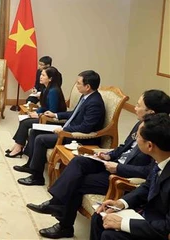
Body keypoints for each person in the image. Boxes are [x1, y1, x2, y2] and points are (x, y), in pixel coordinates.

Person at [27, 90, 170, 239]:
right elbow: (124, 147)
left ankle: (63, 224)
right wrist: (108, 155)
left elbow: (148, 173)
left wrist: (119, 168)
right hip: (114, 163)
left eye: (139, 105)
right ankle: (56, 203)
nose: (134, 107)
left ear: (151, 112)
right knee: (79, 161)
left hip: (124, 173)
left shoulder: (159, 137)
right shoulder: (142, 124)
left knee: (77, 182)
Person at [14, 70, 106, 186]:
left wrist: (64, 130)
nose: (76, 85)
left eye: (78, 83)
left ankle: (37, 177)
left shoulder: (95, 102)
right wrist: (56, 115)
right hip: (70, 128)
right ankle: (31, 166)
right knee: (35, 131)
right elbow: (74, 113)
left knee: (41, 139)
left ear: (87, 86)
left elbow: (86, 127)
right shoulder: (86, 97)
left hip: (79, 137)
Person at [90, 113, 170, 240]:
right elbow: (147, 186)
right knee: (100, 217)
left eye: (137, 136)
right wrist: (121, 203)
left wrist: (122, 223)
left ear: (149, 146)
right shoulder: (161, 160)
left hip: (160, 229)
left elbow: (166, 227)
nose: (135, 139)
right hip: (148, 216)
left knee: (110, 235)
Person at [6, 67, 67, 158]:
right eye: (41, 75)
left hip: (52, 119)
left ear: (50, 79)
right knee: (24, 119)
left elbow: (52, 111)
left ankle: (18, 147)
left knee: (25, 123)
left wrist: (38, 115)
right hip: (45, 116)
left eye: (43, 75)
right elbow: (45, 106)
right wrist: (36, 111)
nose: (40, 77)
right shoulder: (46, 88)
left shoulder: (53, 91)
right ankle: (18, 145)